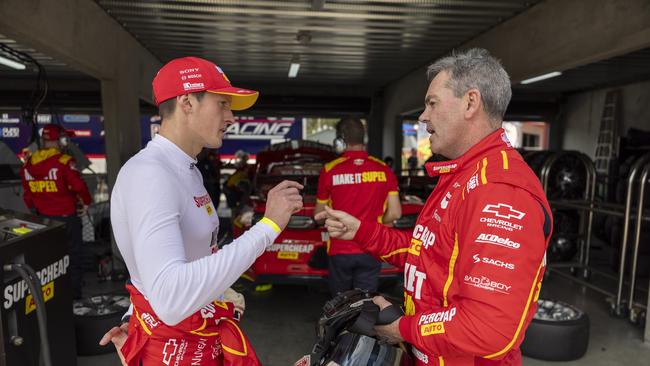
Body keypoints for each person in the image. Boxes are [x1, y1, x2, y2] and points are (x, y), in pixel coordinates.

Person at [316, 48, 553, 366]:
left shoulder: (499, 190)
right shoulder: (461, 176)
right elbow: (425, 254)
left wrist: (401, 328)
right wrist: (360, 230)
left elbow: (488, 328)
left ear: (470, 103)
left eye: (432, 103)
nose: (423, 116)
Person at [100, 56, 303, 366]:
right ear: (186, 103)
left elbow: (158, 270)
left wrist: (135, 311)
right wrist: (268, 227)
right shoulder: (151, 174)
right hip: (174, 350)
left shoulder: (185, 169)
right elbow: (170, 296)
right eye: (222, 103)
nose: (231, 116)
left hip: (193, 338)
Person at [314, 117, 401, 296]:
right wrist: (379, 223)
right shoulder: (384, 169)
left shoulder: (330, 170)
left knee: (340, 305)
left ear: (341, 140)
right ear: (364, 138)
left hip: (340, 248)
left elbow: (319, 214)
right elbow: (395, 213)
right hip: (371, 246)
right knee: (365, 304)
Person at [19, 124, 91, 299]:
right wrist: (86, 202)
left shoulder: (28, 164)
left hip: (44, 222)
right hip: (66, 219)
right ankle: (74, 299)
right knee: (73, 258)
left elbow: (27, 196)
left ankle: (53, 300)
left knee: (48, 262)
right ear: (59, 140)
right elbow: (79, 186)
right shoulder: (64, 162)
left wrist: (39, 212)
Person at [222, 149, 253, 216]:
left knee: (235, 210)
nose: (239, 161)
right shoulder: (242, 169)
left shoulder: (244, 169)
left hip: (232, 190)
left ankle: (234, 222)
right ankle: (233, 223)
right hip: (231, 190)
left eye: (242, 159)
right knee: (234, 210)